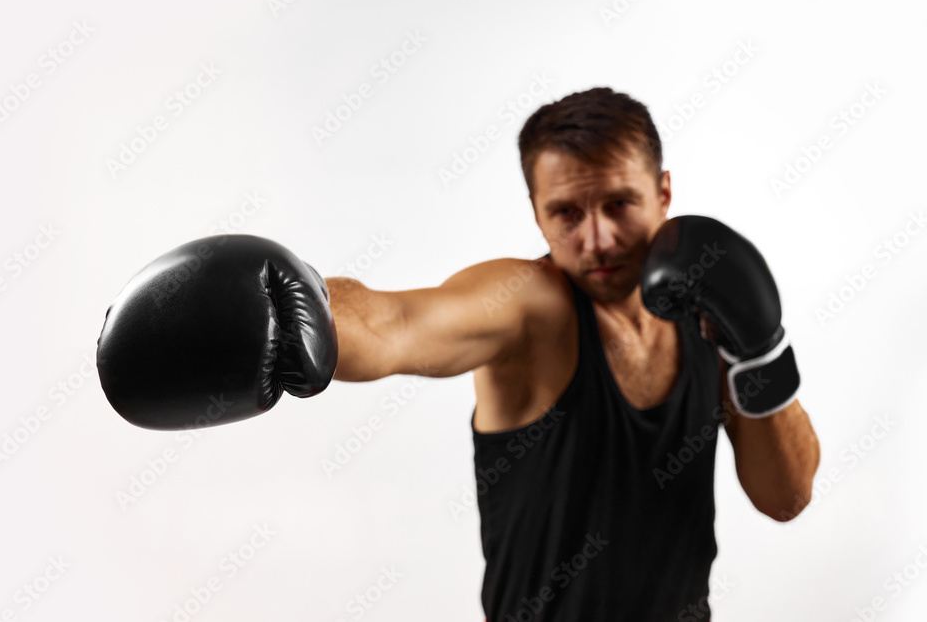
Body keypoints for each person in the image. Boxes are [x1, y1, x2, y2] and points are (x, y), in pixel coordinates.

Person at [97, 87, 820, 621]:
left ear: (664, 193)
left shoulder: (709, 312)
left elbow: (786, 496)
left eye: (619, 204)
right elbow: (401, 319)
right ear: (536, 212)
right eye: (566, 213)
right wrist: (301, 307)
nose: (596, 239)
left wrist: (759, 354)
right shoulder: (531, 306)